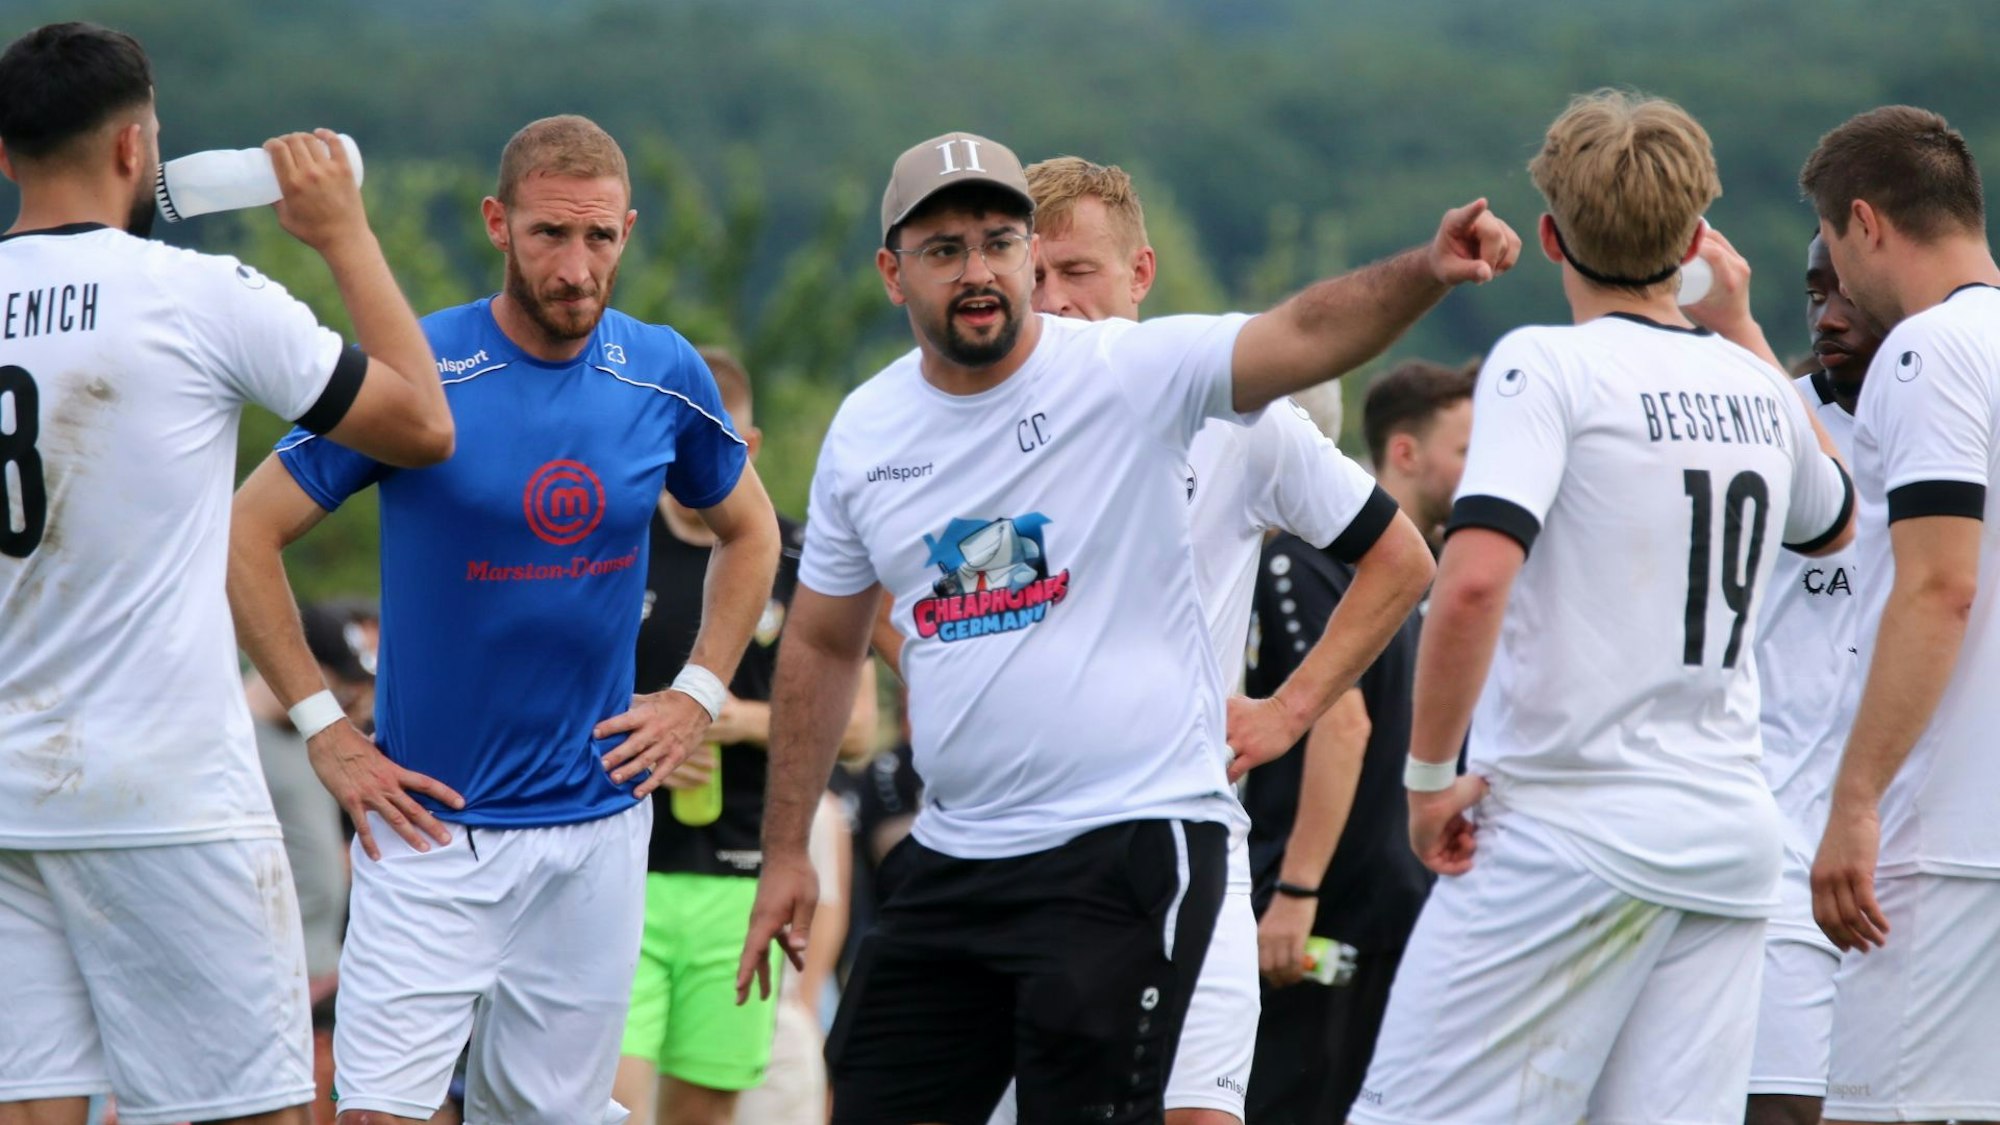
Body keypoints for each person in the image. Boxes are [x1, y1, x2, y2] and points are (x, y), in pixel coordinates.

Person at [736, 129, 1516, 1125]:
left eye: (1000, 243)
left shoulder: (1133, 370)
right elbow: (821, 639)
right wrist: (789, 849)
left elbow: (1303, 337)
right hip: (956, 851)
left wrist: (1426, 268)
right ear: (893, 274)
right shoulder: (867, 429)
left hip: (1130, 840)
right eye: (943, 250)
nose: (982, 273)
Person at [227, 115, 781, 1125]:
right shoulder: (416, 367)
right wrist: (327, 734)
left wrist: (697, 696)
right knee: (376, 1115)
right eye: (549, 236)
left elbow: (751, 534)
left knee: (550, 1119)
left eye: (600, 238)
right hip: (430, 826)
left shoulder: (660, 373)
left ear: (627, 229)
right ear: (497, 223)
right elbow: (244, 535)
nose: (577, 268)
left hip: (598, 832)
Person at [1351, 91, 1856, 1125]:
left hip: (1565, 824)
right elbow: (1834, 516)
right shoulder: (1754, 384)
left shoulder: (1544, 364)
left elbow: (1475, 579)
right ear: (1690, 240)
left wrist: (1426, 778)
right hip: (1724, 833)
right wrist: (1742, 327)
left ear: (1548, 237)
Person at [0, 21, 453, 1125]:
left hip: (8, 795)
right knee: (258, 1113)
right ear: (136, 148)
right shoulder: (196, 292)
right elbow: (422, 423)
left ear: (6, 155)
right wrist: (342, 232)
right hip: (166, 795)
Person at [971, 155, 1433, 1125]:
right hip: (1015, 849)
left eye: (1080, 273)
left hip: (1186, 849)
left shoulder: (1232, 420)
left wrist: (1286, 711)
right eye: (1036, 275)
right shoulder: (976, 432)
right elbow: (900, 616)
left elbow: (1399, 560)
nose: (1054, 302)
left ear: (1139, 276)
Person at [613, 347, 875, 1125]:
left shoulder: (798, 555)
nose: (693, 466)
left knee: (703, 1112)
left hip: (740, 881)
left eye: (715, 445)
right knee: (610, 1104)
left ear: (748, 445)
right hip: (623, 875)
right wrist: (645, 725)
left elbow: (860, 727)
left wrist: (731, 721)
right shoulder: (616, 545)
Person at [1802, 105, 2000, 1125]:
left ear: (1864, 224)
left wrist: (1854, 801)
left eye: (1832, 246)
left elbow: (1936, 586)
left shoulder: (1927, 354)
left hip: (1947, 838)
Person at [1241, 368, 1472, 1123]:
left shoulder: (1301, 559)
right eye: (1466, 448)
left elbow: (1342, 725)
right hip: (1396, 896)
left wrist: (1295, 890)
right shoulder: (1394, 579)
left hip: (1327, 910)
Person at [1740, 234, 1882, 1125]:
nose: (1827, 317)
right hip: (1785, 851)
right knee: (1782, 1111)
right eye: (1813, 293)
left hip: (1921, 862)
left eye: (1851, 295)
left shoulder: (1963, 418)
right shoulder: (1764, 427)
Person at [1360, 360, 1477, 548]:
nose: (1481, 469)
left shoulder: (1445, 566)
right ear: (1405, 454)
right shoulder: (1322, 565)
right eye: (1466, 453)